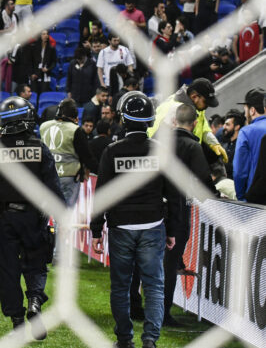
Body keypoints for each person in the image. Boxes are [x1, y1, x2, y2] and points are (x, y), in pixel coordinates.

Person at [91, 91, 182, 348]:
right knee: (154, 286)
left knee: (120, 287)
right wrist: (173, 229)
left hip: (121, 227)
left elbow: (102, 195)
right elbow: (173, 195)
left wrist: (96, 230)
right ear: (150, 121)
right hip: (153, 227)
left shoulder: (111, 152)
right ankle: (150, 340)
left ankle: (124, 339)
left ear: (123, 120)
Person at [0, 96, 63, 340]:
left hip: (3, 218)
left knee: (7, 269)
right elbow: (53, 187)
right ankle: (34, 301)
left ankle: (16, 319)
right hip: (33, 218)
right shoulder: (39, 147)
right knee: (36, 263)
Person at [163, 104, 216, 327]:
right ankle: (163, 312)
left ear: (174, 121)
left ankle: (141, 306)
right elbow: (203, 178)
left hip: (156, 208)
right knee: (170, 263)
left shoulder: (160, 143)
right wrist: (211, 195)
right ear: (194, 123)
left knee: (152, 262)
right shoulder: (193, 146)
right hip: (178, 210)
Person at [148, 78, 228, 164]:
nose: (207, 105)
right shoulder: (176, 111)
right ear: (194, 96)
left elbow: (203, 124)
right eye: (206, 102)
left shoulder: (194, 106)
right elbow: (157, 140)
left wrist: (213, 143)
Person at [39, 99, 98, 207]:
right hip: (68, 177)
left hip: (47, 176)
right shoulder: (75, 130)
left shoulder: (44, 126)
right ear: (74, 117)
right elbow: (86, 156)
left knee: (48, 212)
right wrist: (99, 171)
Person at [233, 88, 266, 201]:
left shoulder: (246, 132)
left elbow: (239, 171)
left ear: (252, 110)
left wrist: (241, 197)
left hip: (256, 198)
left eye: (246, 109)